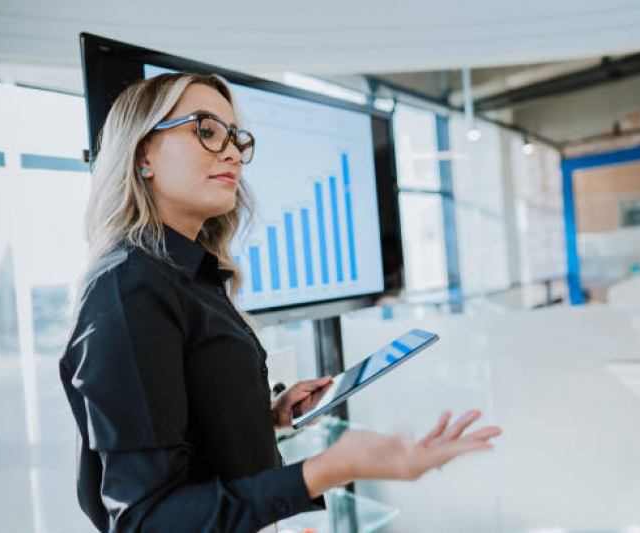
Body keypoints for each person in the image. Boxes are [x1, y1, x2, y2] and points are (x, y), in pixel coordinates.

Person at [58, 72, 502, 533]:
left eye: (235, 138)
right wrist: (331, 468)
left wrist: (262, 414)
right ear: (142, 153)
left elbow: (177, 427)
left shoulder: (188, 276)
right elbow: (147, 519)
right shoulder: (129, 287)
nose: (231, 152)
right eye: (206, 130)